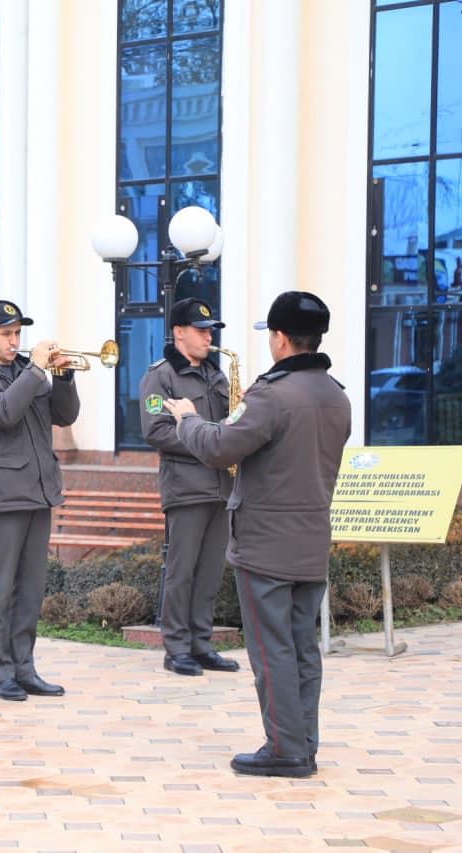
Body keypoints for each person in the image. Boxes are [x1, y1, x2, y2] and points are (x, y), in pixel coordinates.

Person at [163, 290, 350, 778]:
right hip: (311, 543)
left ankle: (286, 749)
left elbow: (219, 447)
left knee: (272, 652)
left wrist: (186, 418)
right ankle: (304, 742)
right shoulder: (336, 394)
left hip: (265, 544)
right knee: (303, 648)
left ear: (281, 338)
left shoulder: (271, 395)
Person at [0, 299, 79, 701]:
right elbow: (5, 411)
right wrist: (36, 369)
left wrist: (62, 377)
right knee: (1, 588)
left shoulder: (30, 373)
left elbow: (64, 416)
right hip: (7, 492)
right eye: (6, 334)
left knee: (31, 588)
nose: (14, 341)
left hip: (39, 488)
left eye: (17, 334)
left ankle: (24, 667)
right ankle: (0, 673)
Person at [138, 297, 240, 677]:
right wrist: (206, 441)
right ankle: (176, 647)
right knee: (182, 571)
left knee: (211, 570)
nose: (208, 336)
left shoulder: (216, 374)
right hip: (186, 485)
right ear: (179, 332)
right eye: (201, 330)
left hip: (220, 486)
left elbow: (228, 425)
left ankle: (202, 644)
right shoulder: (161, 376)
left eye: (210, 329)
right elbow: (155, 430)